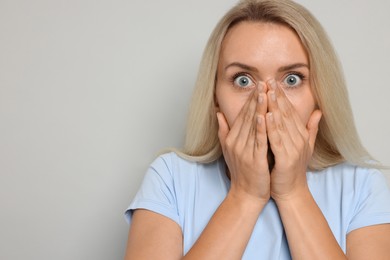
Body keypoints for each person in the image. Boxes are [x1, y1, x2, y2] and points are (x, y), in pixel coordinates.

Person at [124, 0, 390, 259]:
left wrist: (293, 193)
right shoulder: (170, 178)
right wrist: (245, 195)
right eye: (242, 80)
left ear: (320, 93)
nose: (265, 99)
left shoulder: (362, 184)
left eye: (292, 79)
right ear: (215, 95)